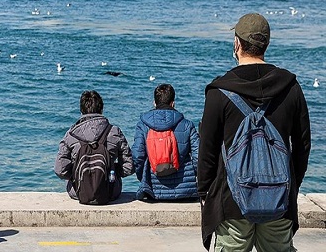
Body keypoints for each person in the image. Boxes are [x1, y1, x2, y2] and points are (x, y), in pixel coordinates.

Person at [197, 13, 311, 251]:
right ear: (266, 44)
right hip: (279, 197)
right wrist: (291, 185)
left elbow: (207, 150)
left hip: (231, 202)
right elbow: (302, 145)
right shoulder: (291, 88)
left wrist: (205, 193)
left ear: (237, 44)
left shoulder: (219, 92)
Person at [54, 90, 134, 203]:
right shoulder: (114, 132)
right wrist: (113, 172)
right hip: (110, 192)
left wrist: (76, 175)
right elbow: (129, 166)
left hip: (78, 191)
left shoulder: (71, 134)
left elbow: (60, 170)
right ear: (101, 109)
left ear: (81, 111)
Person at [132, 84, 199, 200]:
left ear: (154, 103)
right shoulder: (187, 125)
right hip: (185, 191)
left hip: (152, 190)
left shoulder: (143, 125)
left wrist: (143, 178)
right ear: (173, 103)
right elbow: (199, 157)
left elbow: (137, 156)